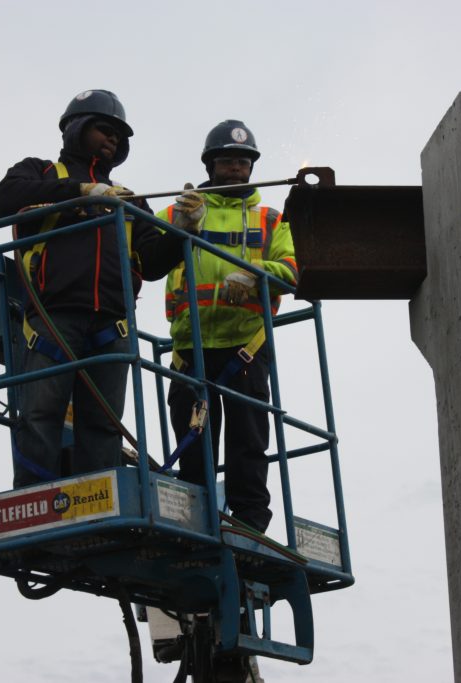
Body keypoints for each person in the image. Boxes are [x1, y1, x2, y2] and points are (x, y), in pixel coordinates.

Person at [0, 89, 185, 488]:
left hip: (110, 326)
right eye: (104, 128)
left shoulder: (130, 202)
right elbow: (5, 198)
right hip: (53, 316)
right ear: (77, 129)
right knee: (40, 415)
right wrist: (78, 193)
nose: (113, 138)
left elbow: (151, 264)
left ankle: (98, 499)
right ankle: (34, 500)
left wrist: (182, 231)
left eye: (119, 133)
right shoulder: (41, 173)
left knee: (102, 424)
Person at [160, 120, 298, 533]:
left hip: (245, 345)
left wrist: (254, 273)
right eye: (227, 161)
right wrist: (181, 226)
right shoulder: (181, 209)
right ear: (210, 165)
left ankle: (250, 525)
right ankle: (196, 520)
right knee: (194, 443)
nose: (236, 169)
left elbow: (290, 270)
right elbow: (143, 247)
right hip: (192, 345)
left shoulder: (271, 219)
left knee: (249, 442)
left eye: (243, 161)